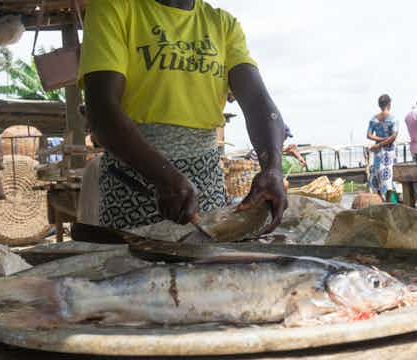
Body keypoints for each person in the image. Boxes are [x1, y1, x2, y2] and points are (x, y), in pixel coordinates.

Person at [79, 0, 288, 233]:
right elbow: (101, 112)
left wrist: (273, 169)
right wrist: (164, 178)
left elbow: (259, 103)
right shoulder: (114, 8)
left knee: (205, 263)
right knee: (135, 263)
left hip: (206, 186)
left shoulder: (222, 24)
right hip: (135, 182)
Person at [366, 94, 398, 202]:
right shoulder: (393, 119)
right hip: (388, 152)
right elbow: (393, 136)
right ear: (389, 104)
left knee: (377, 176)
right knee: (388, 177)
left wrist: (379, 142)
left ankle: (380, 201)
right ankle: (390, 203)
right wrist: (383, 141)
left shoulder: (374, 119)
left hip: (378, 152)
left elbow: (369, 135)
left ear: (379, 105)